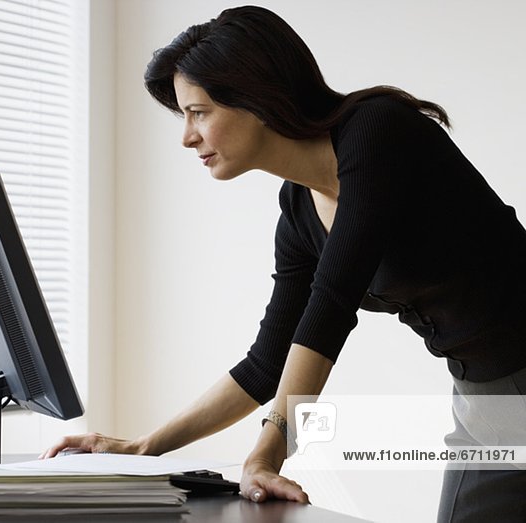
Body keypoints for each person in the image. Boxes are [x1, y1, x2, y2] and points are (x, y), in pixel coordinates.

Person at [41, 6, 526, 521]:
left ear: (257, 97)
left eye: (198, 112)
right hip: (487, 397)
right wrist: (145, 446)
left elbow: (331, 307)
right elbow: (266, 363)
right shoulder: (298, 211)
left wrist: (265, 453)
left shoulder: (379, 132)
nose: (187, 136)